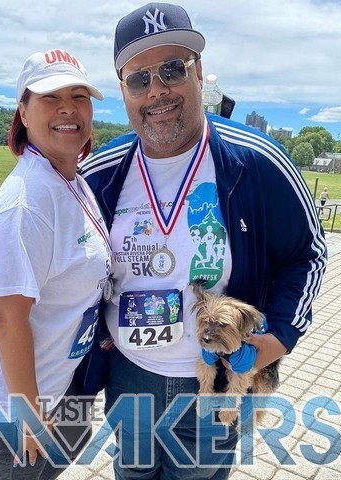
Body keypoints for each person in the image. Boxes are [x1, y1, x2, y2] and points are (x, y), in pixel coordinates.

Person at [77, 3, 327, 479]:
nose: (157, 90)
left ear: (198, 72)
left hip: (217, 380)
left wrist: (278, 338)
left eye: (172, 69)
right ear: (123, 89)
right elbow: (52, 231)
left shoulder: (258, 161)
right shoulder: (101, 171)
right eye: (139, 78)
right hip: (128, 376)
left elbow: (307, 254)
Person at [0, 48, 109, 479]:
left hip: (51, 384)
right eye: (51, 97)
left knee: (73, 441)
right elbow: (7, 317)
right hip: (0, 403)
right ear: (23, 111)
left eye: (79, 96)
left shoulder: (71, 179)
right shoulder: (26, 200)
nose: (68, 108)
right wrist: (30, 417)